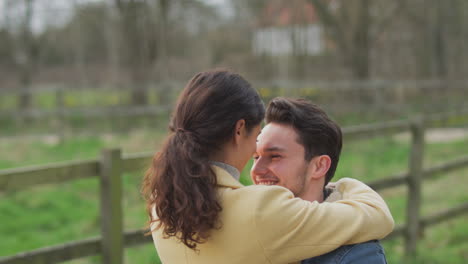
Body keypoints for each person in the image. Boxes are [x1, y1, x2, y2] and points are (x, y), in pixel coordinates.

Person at [142, 70, 394, 264]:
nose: (255, 157)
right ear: (239, 129)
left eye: (274, 156)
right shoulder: (258, 211)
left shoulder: (163, 203)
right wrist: (345, 186)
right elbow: (375, 216)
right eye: (256, 140)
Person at [251, 97, 388, 264]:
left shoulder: (356, 255)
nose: (256, 170)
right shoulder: (243, 233)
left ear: (319, 166)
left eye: (274, 157)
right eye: (255, 157)